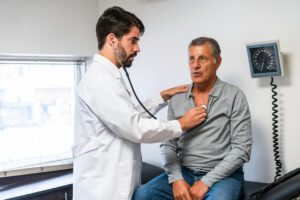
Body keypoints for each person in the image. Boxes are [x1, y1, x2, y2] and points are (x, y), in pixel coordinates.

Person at [72, 7, 207, 200]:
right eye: (133, 40)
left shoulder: (110, 77)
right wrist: (181, 124)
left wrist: (161, 97)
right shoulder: (99, 81)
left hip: (118, 182)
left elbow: (126, 117)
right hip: (102, 189)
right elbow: (134, 127)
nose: (137, 48)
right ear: (112, 40)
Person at [133, 37, 252, 200]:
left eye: (202, 58)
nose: (195, 65)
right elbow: (168, 144)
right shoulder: (178, 98)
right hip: (184, 172)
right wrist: (176, 179)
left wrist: (206, 182)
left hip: (223, 176)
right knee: (141, 195)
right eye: (191, 59)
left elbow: (242, 149)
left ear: (218, 62)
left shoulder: (234, 95)